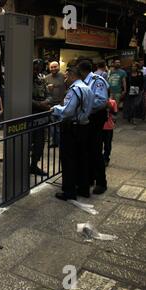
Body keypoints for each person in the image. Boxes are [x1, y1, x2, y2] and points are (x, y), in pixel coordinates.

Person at [51, 66, 95, 201]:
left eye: (66, 76)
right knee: (82, 158)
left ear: (71, 75)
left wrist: (55, 109)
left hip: (72, 128)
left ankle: (69, 192)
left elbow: (68, 111)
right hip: (84, 127)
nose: (65, 79)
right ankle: (83, 189)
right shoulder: (87, 88)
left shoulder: (75, 90)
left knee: (69, 160)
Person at [78, 60, 110, 196]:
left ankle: (101, 182)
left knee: (96, 150)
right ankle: (90, 178)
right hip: (87, 119)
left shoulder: (97, 80)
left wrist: (83, 108)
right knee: (87, 150)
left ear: (82, 70)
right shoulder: (84, 81)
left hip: (96, 118)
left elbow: (101, 101)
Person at [31, 59, 53, 176]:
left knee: (40, 142)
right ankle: (24, 165)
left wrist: (47, 102)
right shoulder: (23, 78)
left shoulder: (41, 78)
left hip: (42, 115)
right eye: (35, 67)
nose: (37, 70)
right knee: (28, 142)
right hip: (31, 114)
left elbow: (49, 95)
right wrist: (40, 105)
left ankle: (34, 165)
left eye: (38, 67)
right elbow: (23, 97)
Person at [45, 61, 66, 148]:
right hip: (51, 104)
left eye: (55, 67)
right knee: (53, 125)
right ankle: (55, 141)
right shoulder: (46, 78)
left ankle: (61, 141)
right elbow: (43, 91)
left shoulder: (64, 76)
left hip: (62, 104)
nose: (53, 69)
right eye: (51, 67)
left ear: (58, 67)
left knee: (60, 124)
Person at [103, 98, 118, 167]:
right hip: (99, 126)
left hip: (108, 127)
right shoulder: (97, 101)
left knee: (107, 144)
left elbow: (115, 116)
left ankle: (106, 159)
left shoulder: (112, 102)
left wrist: (110, 108)